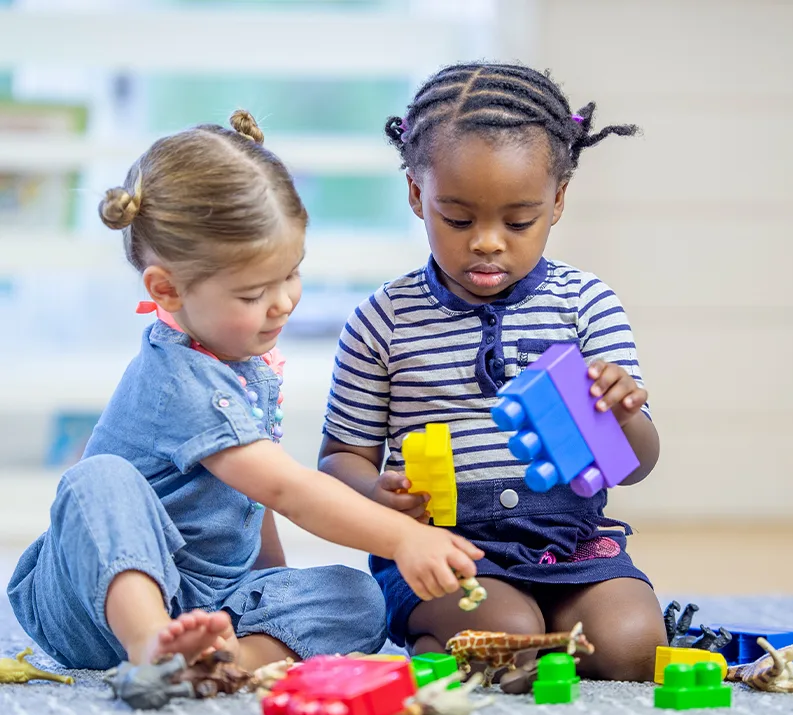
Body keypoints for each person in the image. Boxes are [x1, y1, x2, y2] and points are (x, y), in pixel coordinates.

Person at [7, 110, 482, 672]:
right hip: (94, 601)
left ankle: (226, 657)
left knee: (361, 598)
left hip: (206, 601)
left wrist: (273, 592)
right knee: (98, 478)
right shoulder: (178, 377)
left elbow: (254, 501)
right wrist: (403, 537)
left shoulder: (244, 364)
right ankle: (152, 648)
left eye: (292, 273)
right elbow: (288, 489)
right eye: (256, 291)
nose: (283, 302)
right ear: (167, 288)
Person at [319, 64, 667, 681]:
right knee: (508, 636)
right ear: (416, 195)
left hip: (574, 544)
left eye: (517, 221)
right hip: (443, 551)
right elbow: (340, 460)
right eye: (458, 220)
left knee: (633, 645)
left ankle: (537, 633)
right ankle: (459, 636)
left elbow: (634, 466)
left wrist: (623, 416)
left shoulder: (586, 304)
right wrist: (378, 497)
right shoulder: (384, 319)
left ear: (556, 202)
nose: (486, 242)